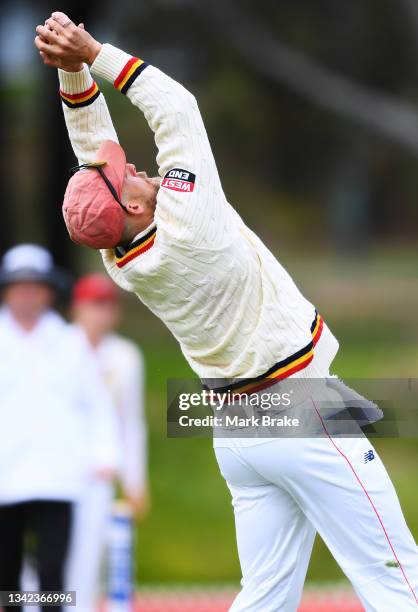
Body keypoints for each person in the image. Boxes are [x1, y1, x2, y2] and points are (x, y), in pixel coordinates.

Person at [34, 13, 418, 611]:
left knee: (264, 597)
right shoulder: (189, 224)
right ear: (132, 205)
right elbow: (177, 109)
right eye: (125, 175)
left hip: (236, 430)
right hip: (299, 407)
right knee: (398, 579)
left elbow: (92, 154)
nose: (132, 166)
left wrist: (72, 73)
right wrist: (93, 51)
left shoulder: (119, 252)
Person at [0, 244, 120, 612]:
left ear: (48, 292)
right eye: (20, 286)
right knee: (7, 573)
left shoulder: (71, 344)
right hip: (6, 474)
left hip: (59, 474)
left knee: (54, 568)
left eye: (35, 286)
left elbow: (98, 405)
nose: (27, 294)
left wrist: (105, 455)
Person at [65, 273, 149, 611]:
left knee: (96, 556)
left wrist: (135, 480)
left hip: (101, 472)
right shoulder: (58, 347)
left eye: (107, 306)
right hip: (59, 470)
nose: (100, 314)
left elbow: (131, 422)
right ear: (76, 308)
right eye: (92, 305)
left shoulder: (126, 356)